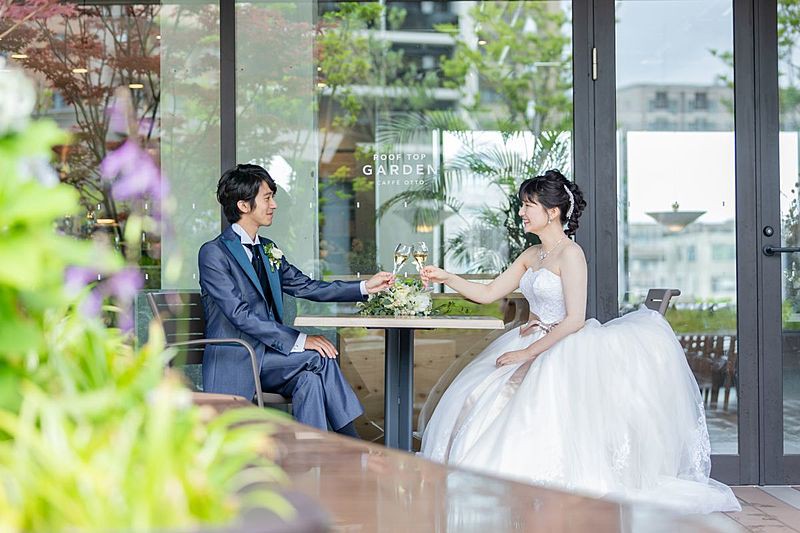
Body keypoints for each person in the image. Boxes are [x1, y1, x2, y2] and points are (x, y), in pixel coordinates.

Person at [419, 170, 740, 513]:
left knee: (534, 405)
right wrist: (447, 277)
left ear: (552, 212)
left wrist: (527, 353)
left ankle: (524, 489)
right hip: (532, 336)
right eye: (522, 205)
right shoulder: (532, 254)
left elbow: (574, 319)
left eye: (528, 205)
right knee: (480, 395)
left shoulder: (571, 254)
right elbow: (488, 293)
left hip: (562, 344)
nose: (521, 212)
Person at [198, 164, 394, 436]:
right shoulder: (214, 253)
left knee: (309, 380)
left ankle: (311, 453)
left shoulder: (268, 249)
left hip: (268, 357)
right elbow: (240, 314)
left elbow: (306, 286)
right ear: (243, 205)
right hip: (237, 359)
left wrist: (364, 287)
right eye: (267, 198)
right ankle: (353, 442)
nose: (274, 205)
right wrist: (301, 340)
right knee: (319, 357)